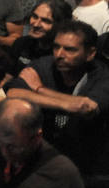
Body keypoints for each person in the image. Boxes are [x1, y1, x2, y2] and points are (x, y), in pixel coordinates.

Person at [7, 21, 109, 173]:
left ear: (90, 54)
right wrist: (69, 104)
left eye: (69, 50)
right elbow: (13, 93)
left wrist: (39, 89)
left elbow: (88, 108)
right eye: (56, 47)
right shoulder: (42, 65)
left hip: (87, 163)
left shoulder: (102, 75)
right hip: (40, 158)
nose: (59, 55)